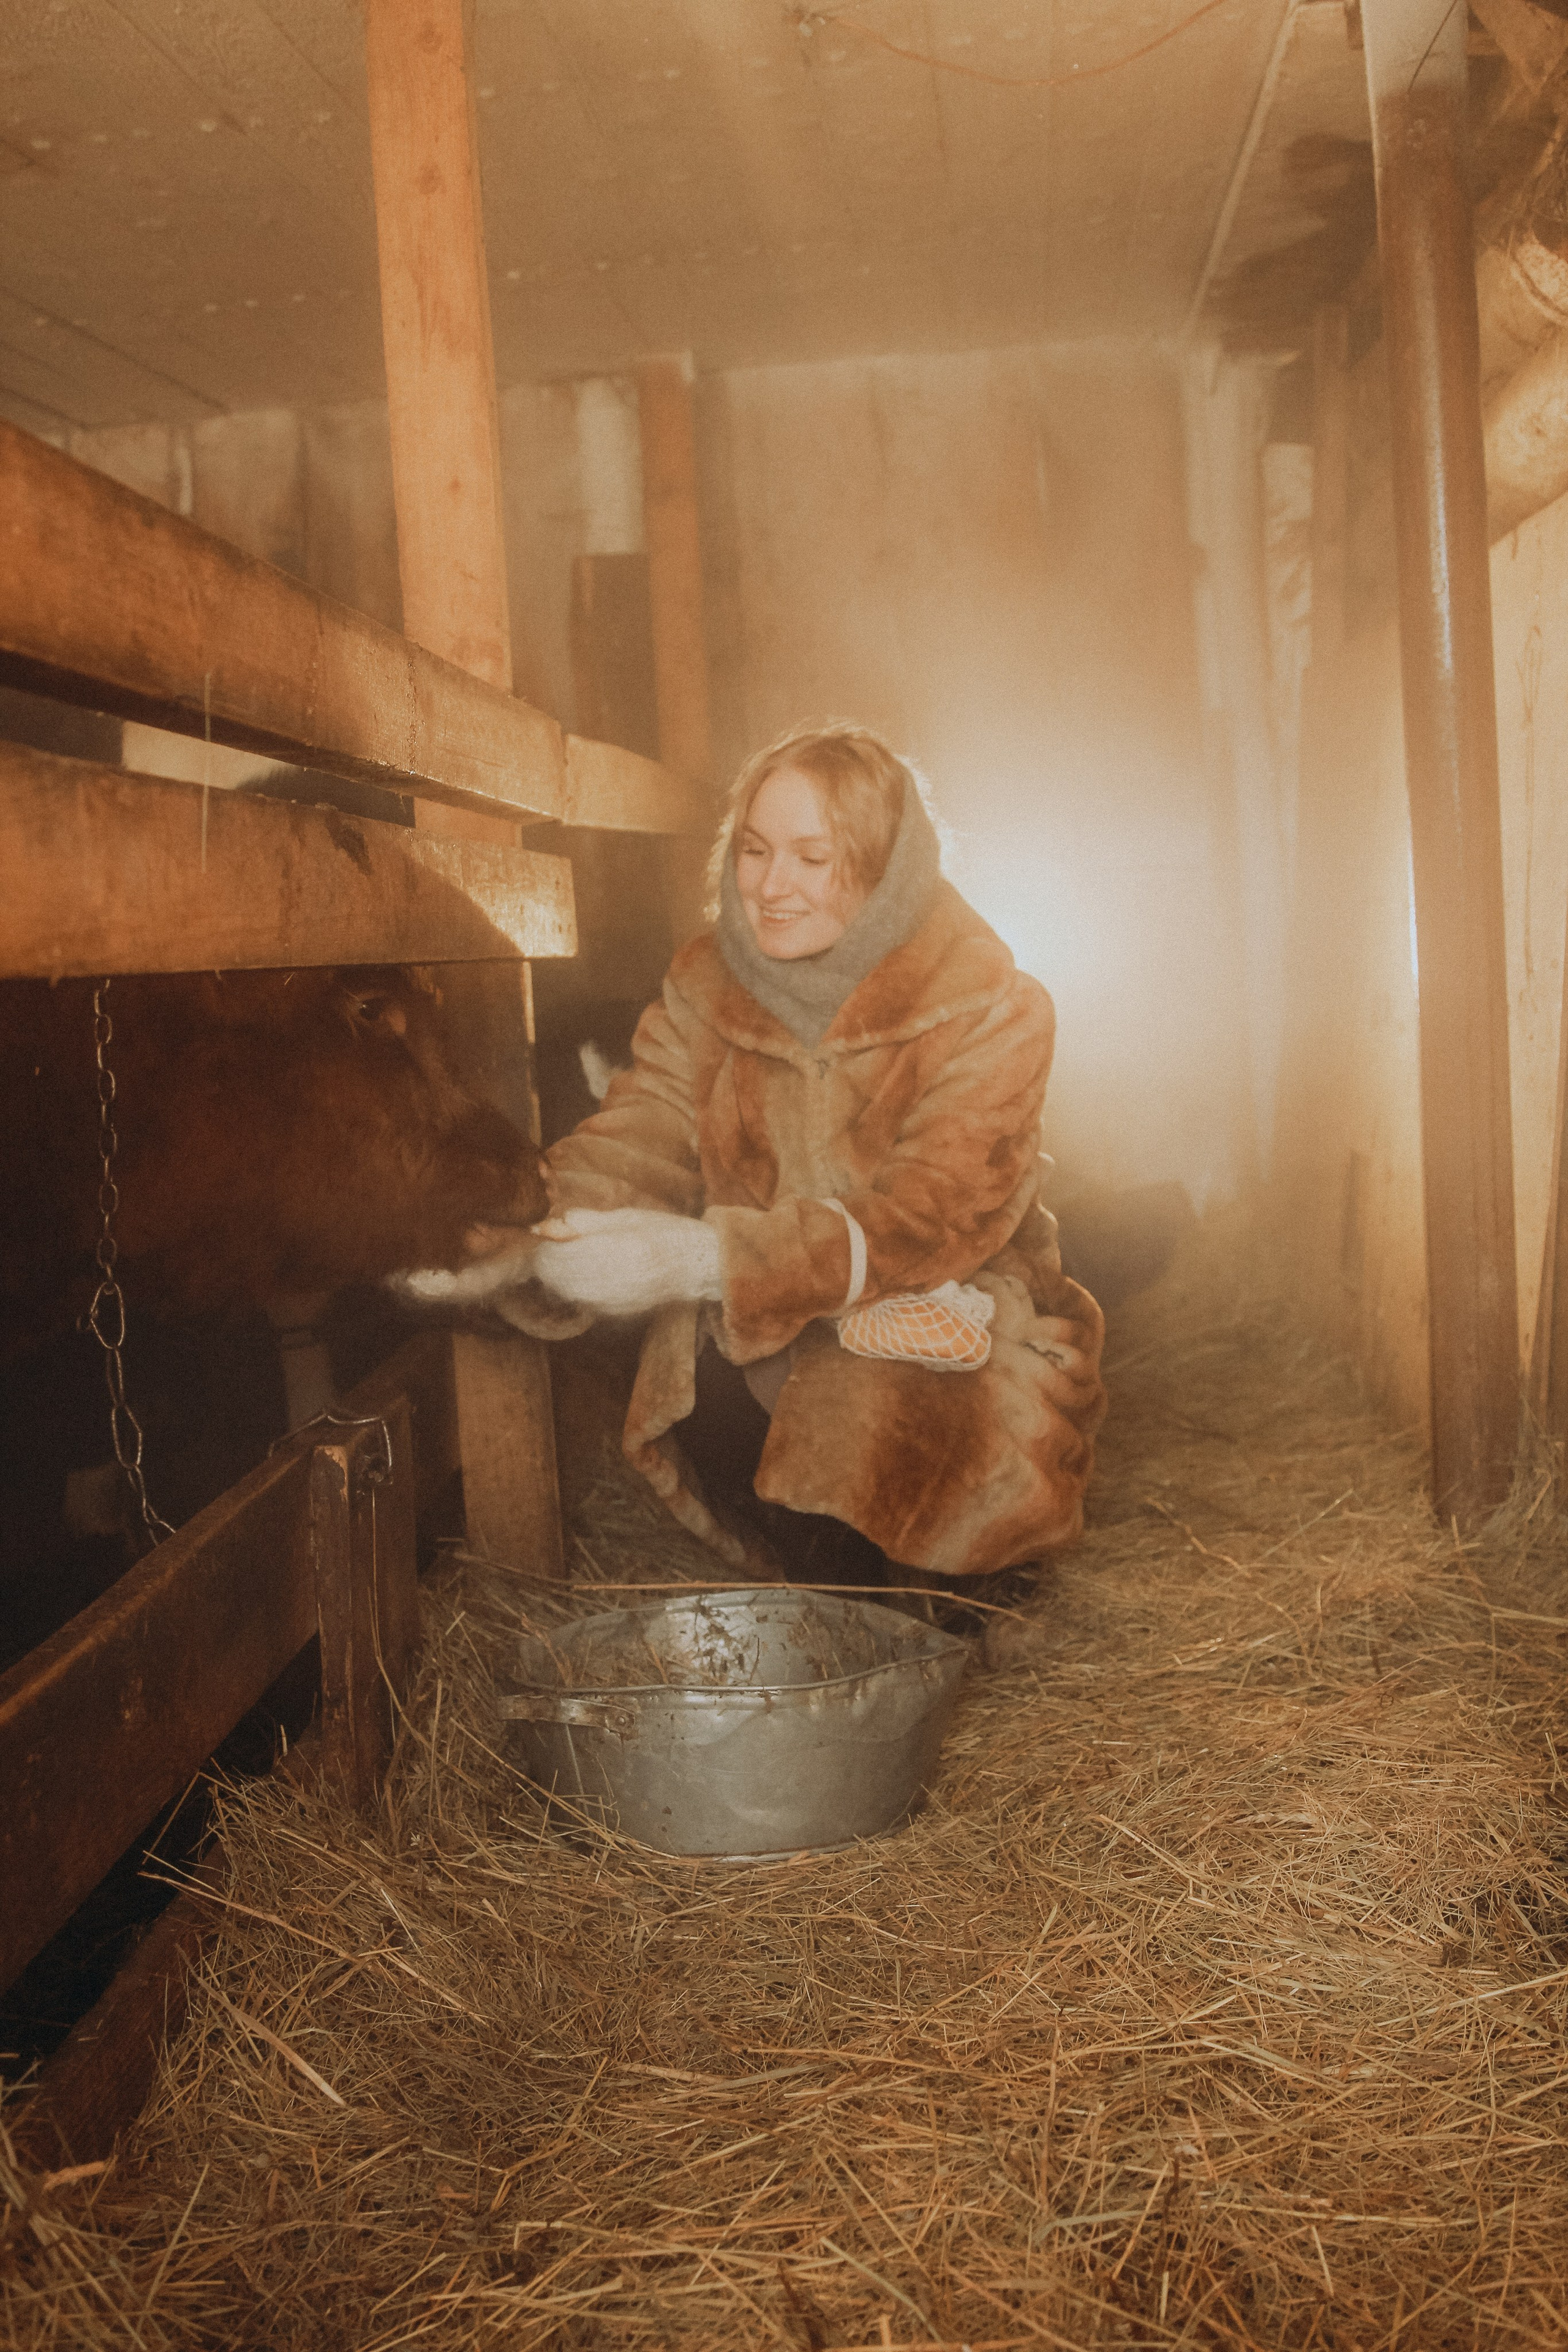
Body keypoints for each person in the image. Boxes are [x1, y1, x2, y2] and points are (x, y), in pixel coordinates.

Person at [415, 722, 1106, 1581]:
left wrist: (703, 1259)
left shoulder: (993, 1007)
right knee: (704, 1366)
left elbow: (925, 1222)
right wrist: (516, 1232)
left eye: (813, 858)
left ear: (883, 866)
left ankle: (955, 1593)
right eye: (754, 850)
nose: (772, 887)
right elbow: (640, 1133)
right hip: (765, 1312)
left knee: (884, 1406)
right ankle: (827, 1592)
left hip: (948, 1301)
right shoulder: (708, 986)